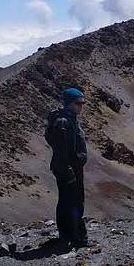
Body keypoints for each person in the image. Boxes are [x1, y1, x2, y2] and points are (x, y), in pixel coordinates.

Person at [44, 87, 89, 249]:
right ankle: (76, 237)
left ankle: (68, 235)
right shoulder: (64, 122)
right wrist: (69, 171)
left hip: (70, 168)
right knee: (73, 202)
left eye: (83, 103)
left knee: (67, 201)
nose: (81, 106)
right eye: (78, 103)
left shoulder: (70, 119)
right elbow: (62, 150)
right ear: (69, 103)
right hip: (68, 169)